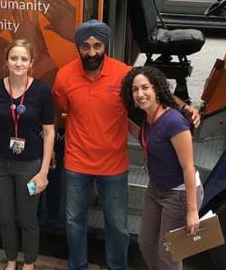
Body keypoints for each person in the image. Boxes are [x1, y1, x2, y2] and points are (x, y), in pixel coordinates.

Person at [52, 20, 199, 270]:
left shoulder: (122, 73)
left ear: (105, 45)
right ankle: (77, 266)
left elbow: (155, 88)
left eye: (97, 46)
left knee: (118, 226)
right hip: (76, 163)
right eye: (85, 47)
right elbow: (60, 111)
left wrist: (184, 107)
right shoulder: (64, 76)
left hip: (114, 165)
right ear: (78, 48)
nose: (92, 52)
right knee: (74, 221)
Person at [0, 39, 55, 270]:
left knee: (27, 218)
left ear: (31, 62)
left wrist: (43, 171)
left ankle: (29, 264)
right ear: (6, 61)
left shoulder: (42, 91)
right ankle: (11, 261)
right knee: (5, 217)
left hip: (30, 166)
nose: (18, 63)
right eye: (14, 58)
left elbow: (49, 132)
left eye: (24, 59)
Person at [121, 66, 201, 270]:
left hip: (179, 194)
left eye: (145, 87)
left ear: (156, 88)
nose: (140, 94)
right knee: (146, 244)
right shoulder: (149, 118)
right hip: (156, 189)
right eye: (135, 90)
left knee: (169, 255)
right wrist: (117, 119)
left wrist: (192, 211)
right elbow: (145, 138)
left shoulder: (174, 122)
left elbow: (188, 168)